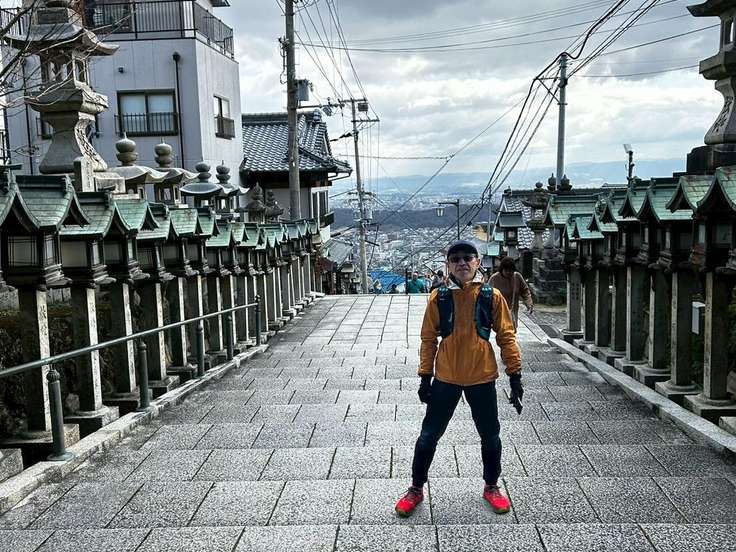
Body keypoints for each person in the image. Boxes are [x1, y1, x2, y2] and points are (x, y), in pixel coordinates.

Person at [395, 240, 523, 517]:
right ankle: (416, 488)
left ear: (477, 262)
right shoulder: (439, 297)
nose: (462, 263)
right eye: (455, 259)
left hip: (482, 376)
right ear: (448, 265)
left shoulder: (491, 295)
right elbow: (428, 339)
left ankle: (492, 486)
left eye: (468, 258)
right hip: (447, 376)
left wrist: (515, 375)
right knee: (428, 436)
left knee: (490, 436)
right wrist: (425, 376)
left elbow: (506, 336)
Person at [490, 256, 534, 328]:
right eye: (506, 270)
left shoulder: (517, 277)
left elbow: (525, 291)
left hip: (512, 313)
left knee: (511, 330)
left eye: (511, 270)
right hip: (498, 313)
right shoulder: (494, 278)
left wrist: (529, 303)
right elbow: (487, 295)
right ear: (502, 269)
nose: (508, 272)